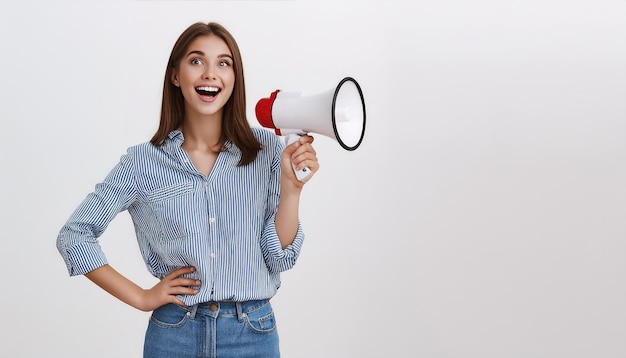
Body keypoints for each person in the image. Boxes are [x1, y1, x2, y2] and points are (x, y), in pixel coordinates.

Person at [56, 21, 319, 357]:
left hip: (252, 334)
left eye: (224, 63)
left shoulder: (266, 150)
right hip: (174, 335)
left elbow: (278, 256)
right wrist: (141, 297)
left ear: (234, 78)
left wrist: (292, 190)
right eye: (197, 61)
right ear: (175, 75)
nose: (211, 73)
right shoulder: (142, 162)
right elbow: (74, 235)